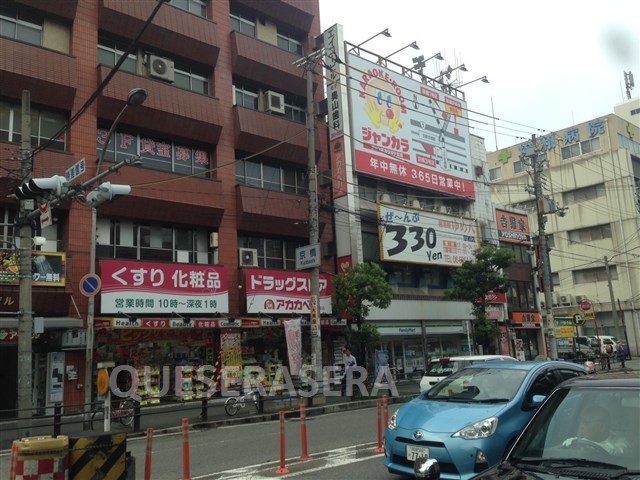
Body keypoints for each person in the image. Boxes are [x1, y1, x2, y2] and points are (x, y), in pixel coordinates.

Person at [562, 406, 630, 456]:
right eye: (581, 421)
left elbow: (617, 453)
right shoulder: (580, 441)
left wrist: (588, 446)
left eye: (586, 422)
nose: (581, 426)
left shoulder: (621, 443)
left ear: (602, 427)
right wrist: (574, 443)